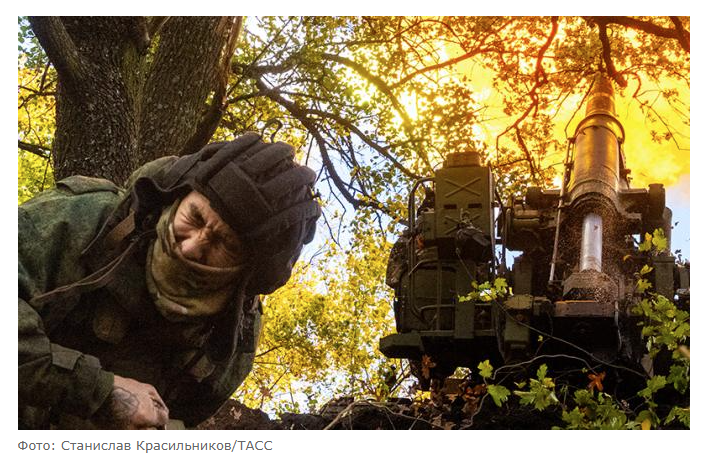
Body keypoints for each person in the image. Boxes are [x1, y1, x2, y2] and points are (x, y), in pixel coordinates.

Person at [18, 133, 320, 429]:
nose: (189, 247)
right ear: (177, 196)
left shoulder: (230, 340)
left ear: (247, 273)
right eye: (195, 218)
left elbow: (180, 419)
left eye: (223, 244)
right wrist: (98, 390)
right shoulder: (83, 218)